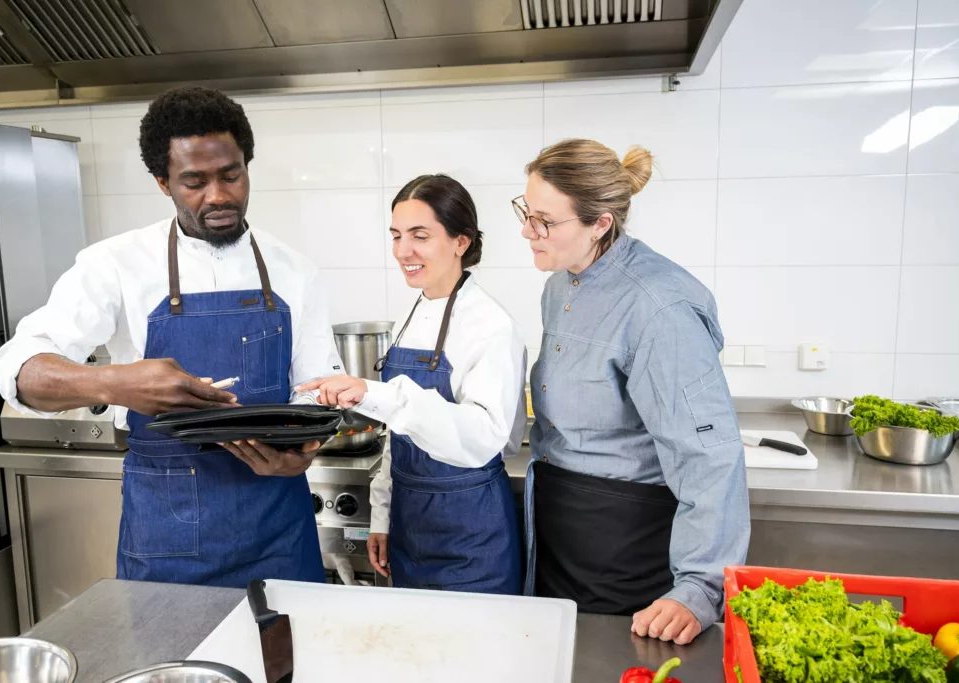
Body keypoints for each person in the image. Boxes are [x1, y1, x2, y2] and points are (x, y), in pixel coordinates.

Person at [0, 86, 344, 587]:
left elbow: (317, 386)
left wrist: (305, 448)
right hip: (168, 530)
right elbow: (19, 368)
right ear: (163, 183)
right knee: (171, 662)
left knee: (285, 661)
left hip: (277, 524)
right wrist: (113, 383)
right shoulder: (114, 264)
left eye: (231, 175)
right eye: (194, 181)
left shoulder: (295, 270)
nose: (219, 196)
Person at [516, 138, 749, 643]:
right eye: (526, 212)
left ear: (601, 223)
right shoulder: (561, 284)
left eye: (545, 221)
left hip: (623, 542)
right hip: (560, 528)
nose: (526, 231)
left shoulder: (658, 309)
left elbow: (709, 455)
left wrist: (700, 589)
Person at [298, 174, 526, 594]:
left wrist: (373, 392)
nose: (404, 251)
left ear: (461, 241)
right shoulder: (412, 315)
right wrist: (383, 516)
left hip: (470, 530)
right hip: (409, 523)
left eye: (420, 236)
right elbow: (397, 434)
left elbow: (484, 439)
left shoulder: (491, 326)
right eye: (397, 236)